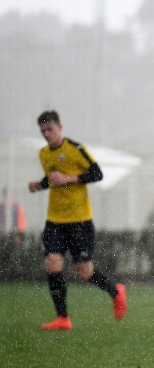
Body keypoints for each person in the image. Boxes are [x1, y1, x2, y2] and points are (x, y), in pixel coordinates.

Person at [28, 110, 127, 330]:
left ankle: (116, 291)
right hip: (54, 219)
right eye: (43, 131)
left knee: (84, 271)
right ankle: (63, 318)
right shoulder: (44, 154)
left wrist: (68, 179)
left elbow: (97, 174)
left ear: (60, 127)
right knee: (53, 263)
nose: (47, 134)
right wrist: (40, 185)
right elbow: (53, 179)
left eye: (50, 129)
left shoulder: (75, 149)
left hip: (79, 220)